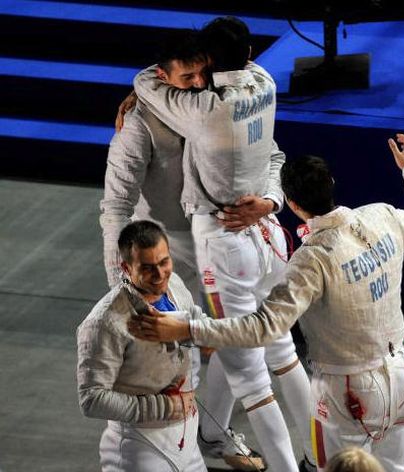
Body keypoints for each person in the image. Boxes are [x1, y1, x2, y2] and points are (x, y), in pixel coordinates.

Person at [128, 134, 404, 472]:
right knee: (398, 466)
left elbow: (261, 328)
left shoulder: (312, 261)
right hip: (403, 373)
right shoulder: (381, 216)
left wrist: (187, 328)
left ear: (293, 205)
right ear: (332, 183)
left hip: (348, 391)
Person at [133, 16, 314, 472]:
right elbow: (276, 152)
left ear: (209, 63)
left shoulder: (204, 108)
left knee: (248, 373)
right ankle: (321, 457)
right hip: (267, 232)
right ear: (250, 53)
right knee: (282, 352)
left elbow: (147, 81)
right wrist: (272, 202)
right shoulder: (265, 79)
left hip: (222, 241)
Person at [100, 29, 268, 471]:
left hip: (225, 242)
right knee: (179, 364)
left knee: (242, 338)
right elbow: (115, 206)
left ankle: (212, 434)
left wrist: (270, 199)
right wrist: (119, 281)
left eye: (203, 73)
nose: (198, 83)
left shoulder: (218, 98)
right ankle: (181, 452)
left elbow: (271, 152)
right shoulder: (137, 125)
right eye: (187, 75)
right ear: (163, 76)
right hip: (168, 259)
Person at [77, 220, 208, 472]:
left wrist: (205, 333)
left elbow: (192, 324)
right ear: (126, 268)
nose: (159, 275)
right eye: (147, 268)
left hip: (187, 438)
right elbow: (91, 399)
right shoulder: (104, 323)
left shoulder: (176, 286)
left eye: (164, 262)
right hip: (141, 447)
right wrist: (166, 407)